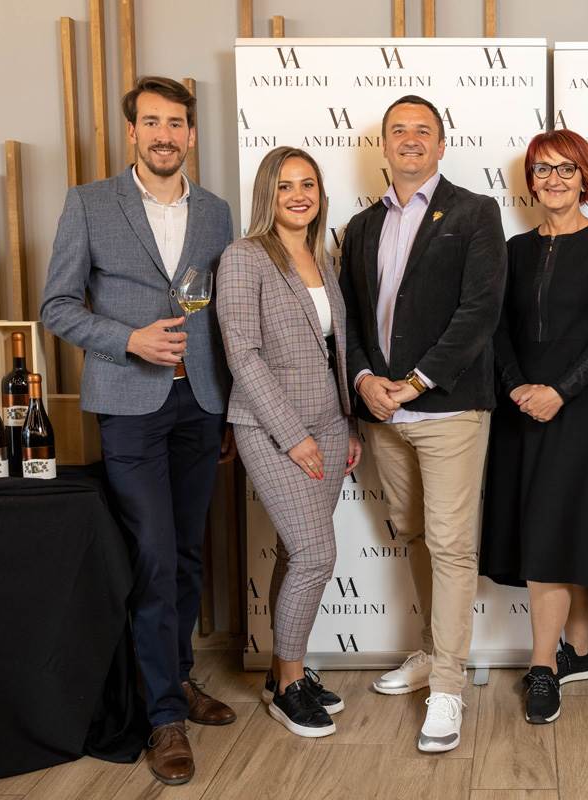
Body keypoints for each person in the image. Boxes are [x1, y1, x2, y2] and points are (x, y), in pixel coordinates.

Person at [41, 76, 236, 785]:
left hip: (201, 403)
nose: (164, 134)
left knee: (185, 553)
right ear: (131, 132)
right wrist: (129, 340)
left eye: (175, 123)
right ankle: (162, 717)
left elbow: (223, 313)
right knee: (153, 554)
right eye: (151, 122)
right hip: (128, 403)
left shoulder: (215, 212)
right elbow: (57, 306)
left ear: (191, 134)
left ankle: (176, 677)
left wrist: (229, 406)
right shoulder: (90, 203)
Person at [339, 94, 506, 752]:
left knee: (450, 544)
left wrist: (414, 381)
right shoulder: (361, 226)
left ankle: (449, 686)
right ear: (383, 145)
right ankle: (431, 650)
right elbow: (349, 318)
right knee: (411, 533)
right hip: (382, 413)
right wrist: (363, 381)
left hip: (448, 409)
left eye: (423, 131)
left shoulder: (474, 211)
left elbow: (480, 310)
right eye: (399, 130)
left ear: (441, 144)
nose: (410, 139)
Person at [480, 129, 588, 725]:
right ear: (530, 181)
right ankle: (579, 648)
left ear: (586, 178)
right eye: (542, 170)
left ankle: (543, 667)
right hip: (522, 411)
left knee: (557, 532)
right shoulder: (514, 249)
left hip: (587, 413)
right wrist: (517, 387)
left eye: (566, 169)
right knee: (553, 528)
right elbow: (496, 328)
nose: (554, 180)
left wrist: (560, 391)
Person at [216, 147, 361, 738]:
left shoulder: (324, 258)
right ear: (267, 195)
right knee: (316, 555)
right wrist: (293, 434)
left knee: (294, 553)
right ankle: (289, 688)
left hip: (330, 424)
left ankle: (283, 673)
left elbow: (334, 352)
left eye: (308, 184)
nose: (298, 195)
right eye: (284, 186)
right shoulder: (244, 256)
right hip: (270, 427)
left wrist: (348, 424)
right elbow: (242, 353)